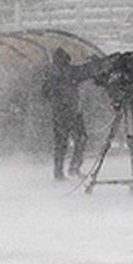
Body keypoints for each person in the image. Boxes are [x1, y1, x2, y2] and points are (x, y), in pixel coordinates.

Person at [43, 48, 89, 180]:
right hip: (73, 112)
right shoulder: (71, 72)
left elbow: (44, 94)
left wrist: (57, 100)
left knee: (61, 143)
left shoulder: (51, 74)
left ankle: (59, 171)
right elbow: (86, 71)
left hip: (60, 113)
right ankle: (74, 167)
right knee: (81, 138)